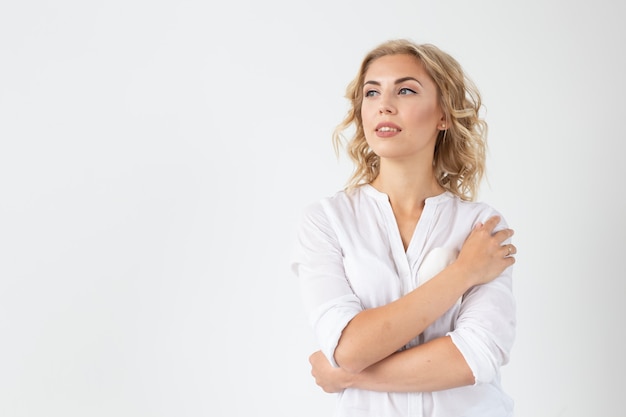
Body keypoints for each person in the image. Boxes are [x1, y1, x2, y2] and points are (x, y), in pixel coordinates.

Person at [291, 38, 517, 417]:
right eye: (372, 92)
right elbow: (349, 348)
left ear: (443, 114)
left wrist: (346, 375)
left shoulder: (481, 227)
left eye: (406, 90)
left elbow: (474, 358)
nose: (384, 105)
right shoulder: (328, 221)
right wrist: (463, 273)